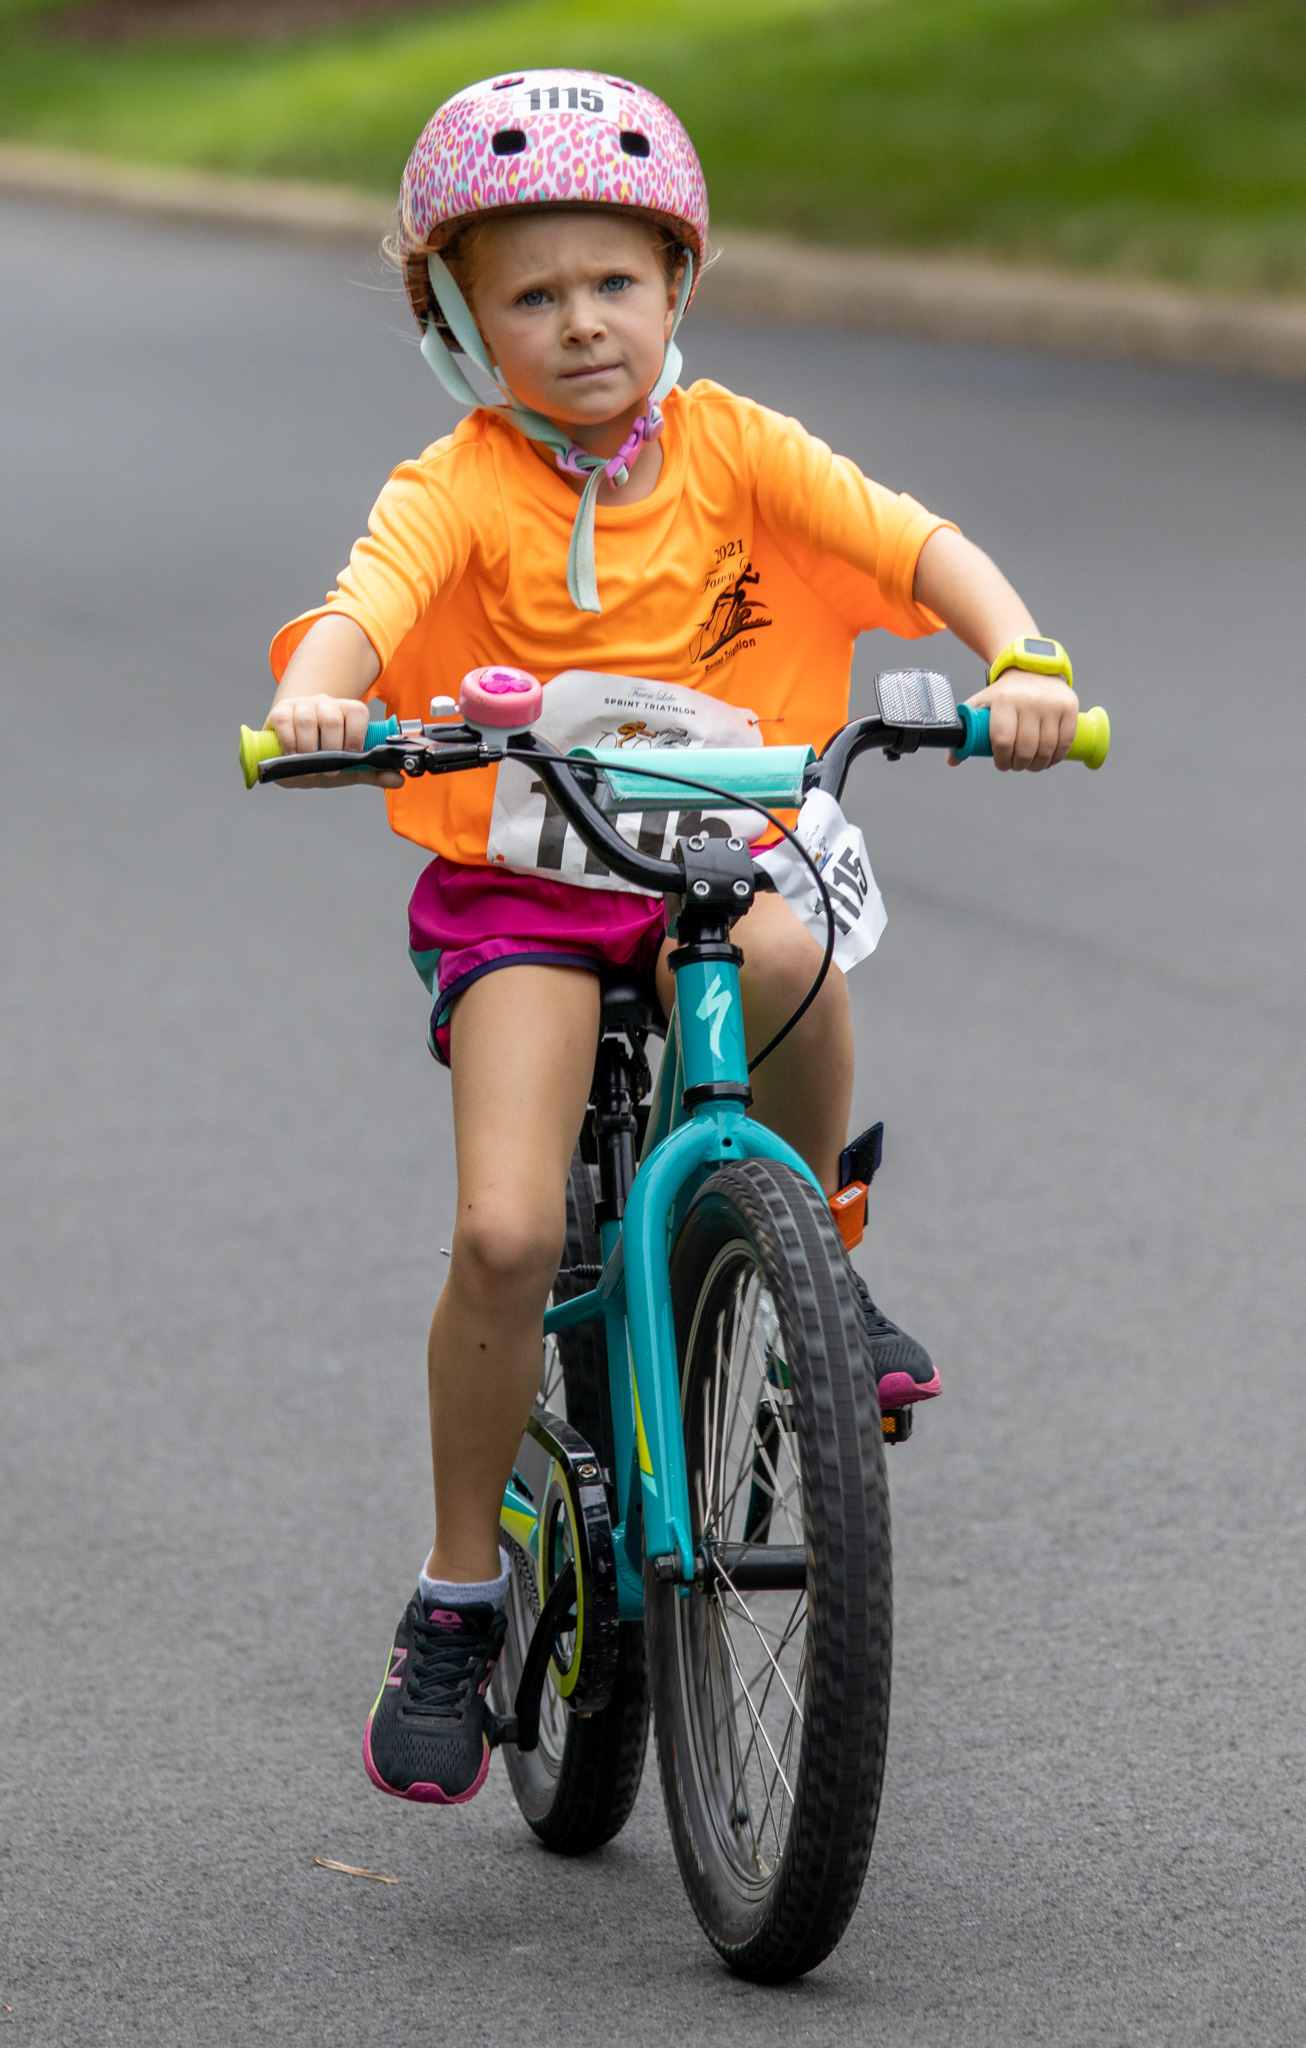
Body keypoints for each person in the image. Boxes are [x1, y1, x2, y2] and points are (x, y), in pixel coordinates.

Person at [261, 70, 1080, 1807]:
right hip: (524, 894)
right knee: (504, 1230)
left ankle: (814, 1253)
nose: (580, 324)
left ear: (678, 283)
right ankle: (455, 1594)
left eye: (614, 283)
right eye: (529, 296)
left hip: (703, 862)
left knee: (790, 954)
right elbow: (360, 612)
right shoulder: (455, 486)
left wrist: (1019, 659)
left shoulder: (738, 451)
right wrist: (320, 700)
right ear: (457, 322)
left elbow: (912, 542)